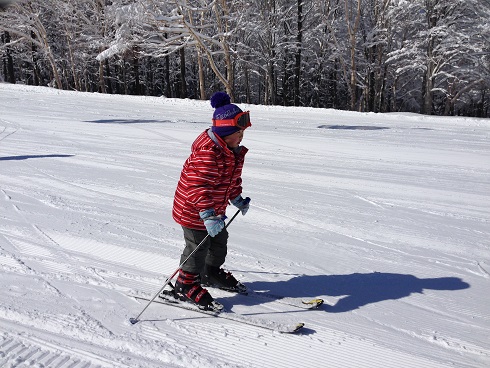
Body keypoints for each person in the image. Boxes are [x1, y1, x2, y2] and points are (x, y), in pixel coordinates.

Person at [171, 91, 252, 311]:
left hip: (214, 212)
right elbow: (197, 187)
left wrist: (236, 198)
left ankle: (210, 272)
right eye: (238, 134)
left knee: (219, 243)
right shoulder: (208, 154)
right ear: (224, 134)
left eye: (242, 134)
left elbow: (231, 179)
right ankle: (185, 284)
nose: (241, 138)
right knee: (197, 247)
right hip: (194, 211)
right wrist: (207, 215)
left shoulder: (231, 151)